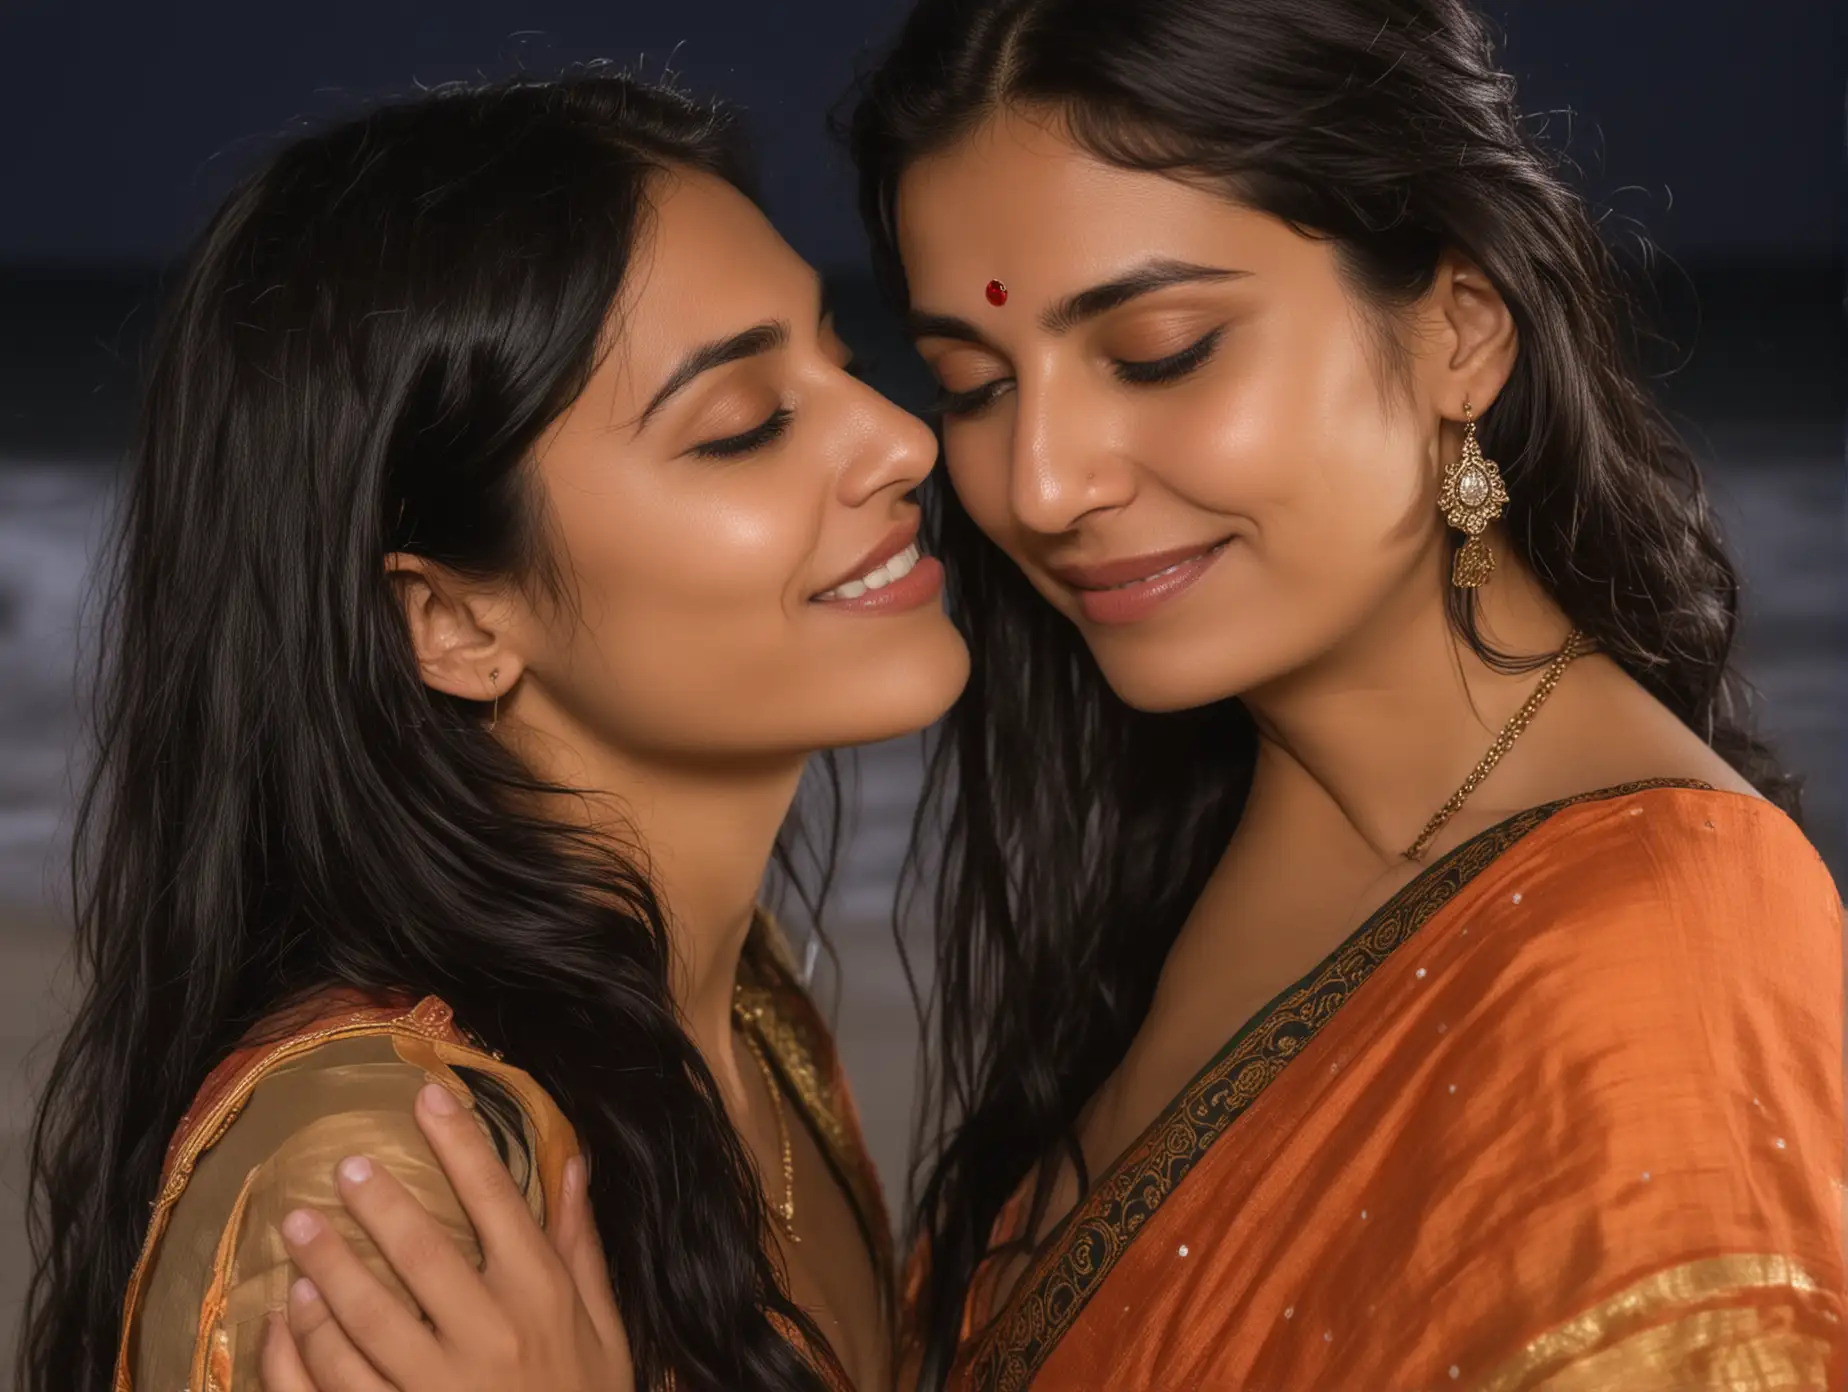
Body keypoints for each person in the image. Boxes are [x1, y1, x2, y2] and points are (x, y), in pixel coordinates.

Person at [843, 0, 1846, 1386]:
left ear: (1461, 330)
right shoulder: (1175, 852)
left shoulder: (1658, 950)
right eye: (973, 383)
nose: (1042, 484)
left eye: (1160, 350)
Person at [17, 72, 969, 1392]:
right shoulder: (378, 1194)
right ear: (453, 620)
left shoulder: (739, 1016)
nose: (902, 440)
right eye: (745, 427)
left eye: (844, 361)